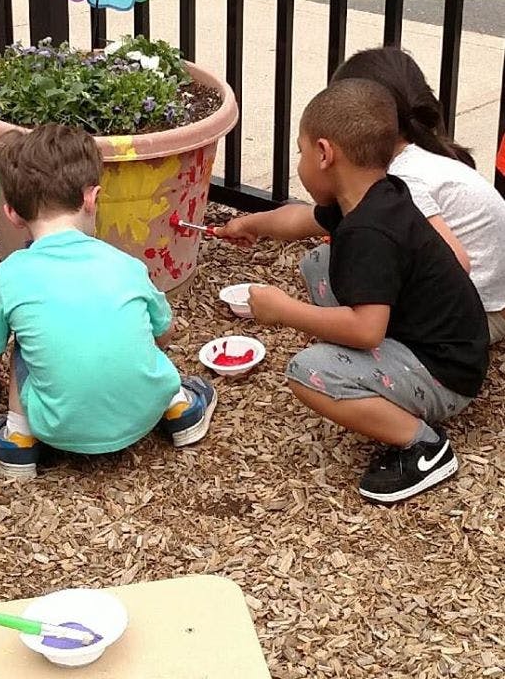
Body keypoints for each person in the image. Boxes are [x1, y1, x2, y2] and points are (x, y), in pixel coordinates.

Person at [216, 79, 488, 504]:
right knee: (319, 262)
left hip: (445, 375)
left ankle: (424, 447)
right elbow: (302, 220)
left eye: (301, 152)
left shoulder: (369, 233)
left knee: (307, 371)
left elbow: (366, 332)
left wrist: (282, 309)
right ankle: (374, 376)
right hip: (438, 343)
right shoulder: (377, 194)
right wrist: (249, 225)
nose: (301, 162)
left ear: (325, 154)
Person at [0, 124, 217, 479]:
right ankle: (180, 408)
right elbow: (164, 335)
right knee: (139, 330)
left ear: (12, 213)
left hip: (56, 427)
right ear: (92, 198)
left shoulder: (10, 276)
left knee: (24, 340)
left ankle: (18, 441)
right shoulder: (128, 265)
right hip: (146, 411)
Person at [333, 46, 505, 342]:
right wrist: (254, 225)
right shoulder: (423, 154)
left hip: (478, 317)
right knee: (332, 263)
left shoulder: (404, 179)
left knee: (365, 300)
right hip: (487, 301)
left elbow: (457, 263)